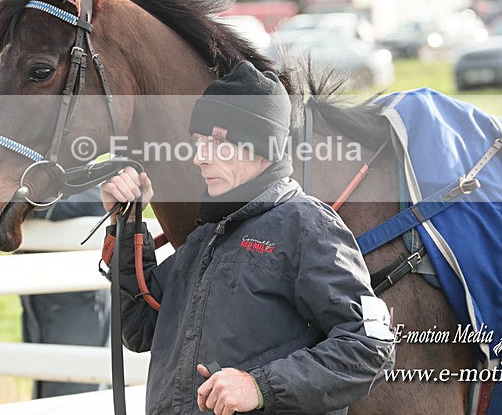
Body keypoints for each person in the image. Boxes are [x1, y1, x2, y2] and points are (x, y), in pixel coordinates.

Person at [101, 61, 395, 415]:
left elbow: (369, 348)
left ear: (261, 148)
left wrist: (259, 386)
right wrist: (127, 224)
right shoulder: (205, 237)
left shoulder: (309, 226)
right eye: (198, 142)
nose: (199, 158)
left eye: (216, 142)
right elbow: (139, 329)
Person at [21, 188, 110, 398]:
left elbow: (98, 199)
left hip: (79, 307)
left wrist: (26, 204)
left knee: (77, 390)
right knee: (46, 387)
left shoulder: (83, 174)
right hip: (39, 307)